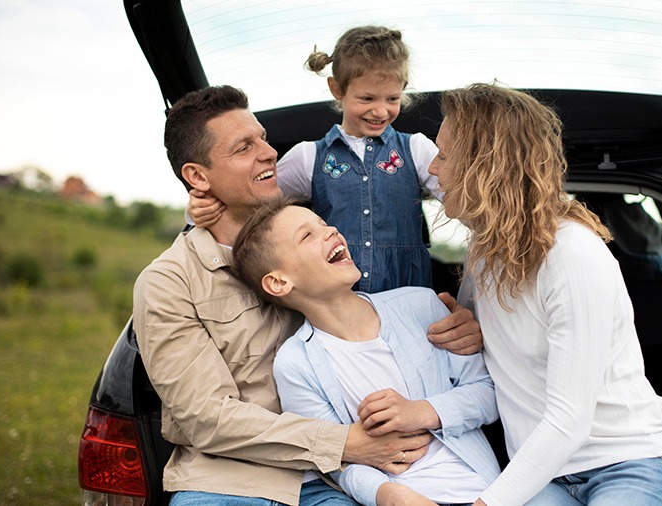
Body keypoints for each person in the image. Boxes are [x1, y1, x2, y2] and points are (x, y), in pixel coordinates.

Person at [132, 84, 482, 506]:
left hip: (344, 480)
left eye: (262, 138)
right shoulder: (169, 282)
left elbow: (387, 313)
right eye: (244, 147)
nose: (268, 153)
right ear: (197, 177)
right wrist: (342, 443)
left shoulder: (324, 238)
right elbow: (206, 418)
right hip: (232, 483)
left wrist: (460, 321)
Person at [427, 83, 662, 506]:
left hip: (628, 463)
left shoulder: (571, 254)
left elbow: (570, 419)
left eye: (443, 154)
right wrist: (467, 328)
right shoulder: (484, 251)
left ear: (484, 165)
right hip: (542, 474)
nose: (434, 169)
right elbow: (487, 350)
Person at [230, 198, 501, 506]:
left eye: (324, 224)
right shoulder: (295, 363)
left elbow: (488, 393)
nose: (330, 230)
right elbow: (336, 460)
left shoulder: (420, 305)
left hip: (484, 492)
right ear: (279, 282)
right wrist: (389, 495)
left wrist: (421, 411)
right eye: (307, 235)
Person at [189, 26, 439, 293]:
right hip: (337, 302)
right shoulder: (309, 157)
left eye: (392, 98)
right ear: (336, 88)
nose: (381, 110)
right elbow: (253, 204)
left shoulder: (416, 149)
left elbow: (466, 201)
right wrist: (197, 211)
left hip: (411, 295)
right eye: (367, 98)